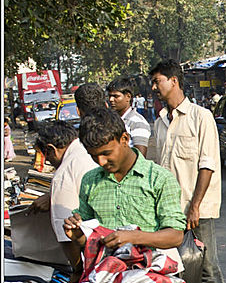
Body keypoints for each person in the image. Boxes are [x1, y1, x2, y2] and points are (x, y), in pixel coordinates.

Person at [62, 109, 185, 260]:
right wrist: (78, 235)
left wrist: (134, 237)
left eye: (106, 153)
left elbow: (175, 236)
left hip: (151, 269)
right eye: (93, 156)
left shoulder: (159, 178)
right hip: (105, 270)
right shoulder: (90, 181)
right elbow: (87, 237)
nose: (101, 162)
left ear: (124, 139)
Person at [149, 58, 225, 283]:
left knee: (207, 266)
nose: (154, 87)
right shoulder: (160, 123)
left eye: (157, 81)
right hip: (169, 210)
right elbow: (156, 168)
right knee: (176, 267)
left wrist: (195, 205)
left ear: (174, 81)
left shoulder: (201, 117)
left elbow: (207, 165)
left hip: (196, 210)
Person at [28, 120, 98, 271]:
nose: (49, 162)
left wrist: (77, 271)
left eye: (46, 156)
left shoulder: (64, 173)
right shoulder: (89, 151)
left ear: (51, 149)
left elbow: (66, 233)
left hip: (93, 252)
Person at [107, 76, 152, 156]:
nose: (111, 99)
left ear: (128, 97)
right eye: (110, 96)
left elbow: (140, 158)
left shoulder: (138, 122)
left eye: (116, 96)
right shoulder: (110, 120)